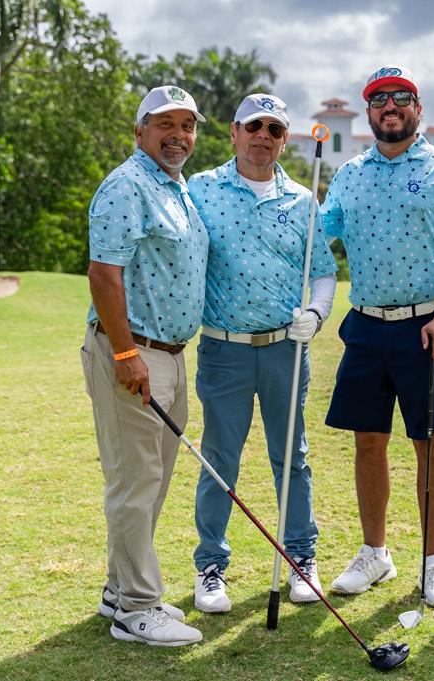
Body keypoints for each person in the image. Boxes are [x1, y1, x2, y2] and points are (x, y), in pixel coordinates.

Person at [320, 65, 434, 607]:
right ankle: (375, 553)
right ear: (368, 111)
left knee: (429, 442)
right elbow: (319, 237)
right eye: (378, 99)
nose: (389, 106)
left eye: (401, 97)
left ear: (418, 108)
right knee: (368, 440)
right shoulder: (349, 173)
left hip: (425, 326)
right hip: (366, 323)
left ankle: (433, 562)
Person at [186, 94, 338, 613]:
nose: (263, 137)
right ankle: (211, 566)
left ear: (285, 140)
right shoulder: (201, 189)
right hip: (223, 349)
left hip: (284, 349)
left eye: (274, 130)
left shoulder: (301, 199)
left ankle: (302, 559)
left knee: (291, 457)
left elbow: (323, 273)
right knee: (219, 460)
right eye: (254, 127)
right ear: (234, 132)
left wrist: (316, 313)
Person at [81, 85, 209, 646]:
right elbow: (104, 274)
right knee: (135, 481)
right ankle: (136, 608)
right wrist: (126, 352)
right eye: (165, 124)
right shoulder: (128, 185)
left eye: (187, 125)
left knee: (152, 481)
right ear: (140, 132)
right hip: (133, 352)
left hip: (171, 354)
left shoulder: (177, 188)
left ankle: (119, 589)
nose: (178, 135)